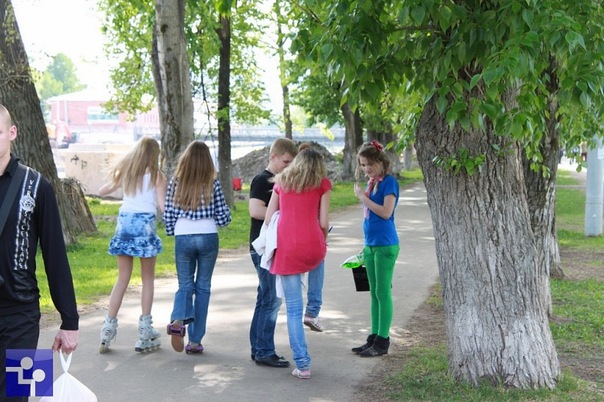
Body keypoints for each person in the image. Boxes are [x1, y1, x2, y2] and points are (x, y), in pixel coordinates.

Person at [0, 104, 79, 401]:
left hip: (21, 315)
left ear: (12, 133)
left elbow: (55, 256)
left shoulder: (37, 186)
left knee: (18, 394)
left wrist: (69, 322)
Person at [265, 148, 332, 379]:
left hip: (287, 248)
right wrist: (323, 238)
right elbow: (323, 222)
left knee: (293, 309)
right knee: (319, 255)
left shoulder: (281, 182)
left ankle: (303, 366)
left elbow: (268, 218)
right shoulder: (322, 184)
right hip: (312, 243)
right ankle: (313, 310)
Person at [97, 136, 167, 354]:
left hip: (125, 225)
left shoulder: (128, 173)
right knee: (147, 279)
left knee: (122, 279)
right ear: (155, 156)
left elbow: (103, 191)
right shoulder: (157, 176)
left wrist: (116, 181)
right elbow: (163, 206)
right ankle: (145, 328)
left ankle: (107, 329)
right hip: (144, 226)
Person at [165, 141, 231, 354]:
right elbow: (222, 215)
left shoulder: (176, 182)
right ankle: (194, 341)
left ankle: (178, 318)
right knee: (203, 287)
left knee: (185, 284)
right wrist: (223, 220)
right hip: (208, 235)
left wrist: (173, 231)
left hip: (183, 235)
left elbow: (168, 212)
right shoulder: (213, 183)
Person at [248, 138, 298, 368]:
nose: (289, 167)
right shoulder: (263, 179)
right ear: (273, 157)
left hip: (272, 246)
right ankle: (264, 350)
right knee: (272, 299)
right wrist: (283, 214)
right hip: (263, 247)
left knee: (265, 297)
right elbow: (255, 210)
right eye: (285, 162)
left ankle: (258, 347)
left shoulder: (282, 180)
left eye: (292, 163)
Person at [352, 140, 400, 357]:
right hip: (371, 245)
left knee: (382, 292)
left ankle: (382, 341)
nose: (366, 168)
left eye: (370, 164)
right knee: (373, 293)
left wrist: (363, 198)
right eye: (363, 165)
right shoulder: (372, 184)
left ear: (381, 161)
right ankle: (373, 337)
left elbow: (386, 212)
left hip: (385, 245)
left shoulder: (389, 183)